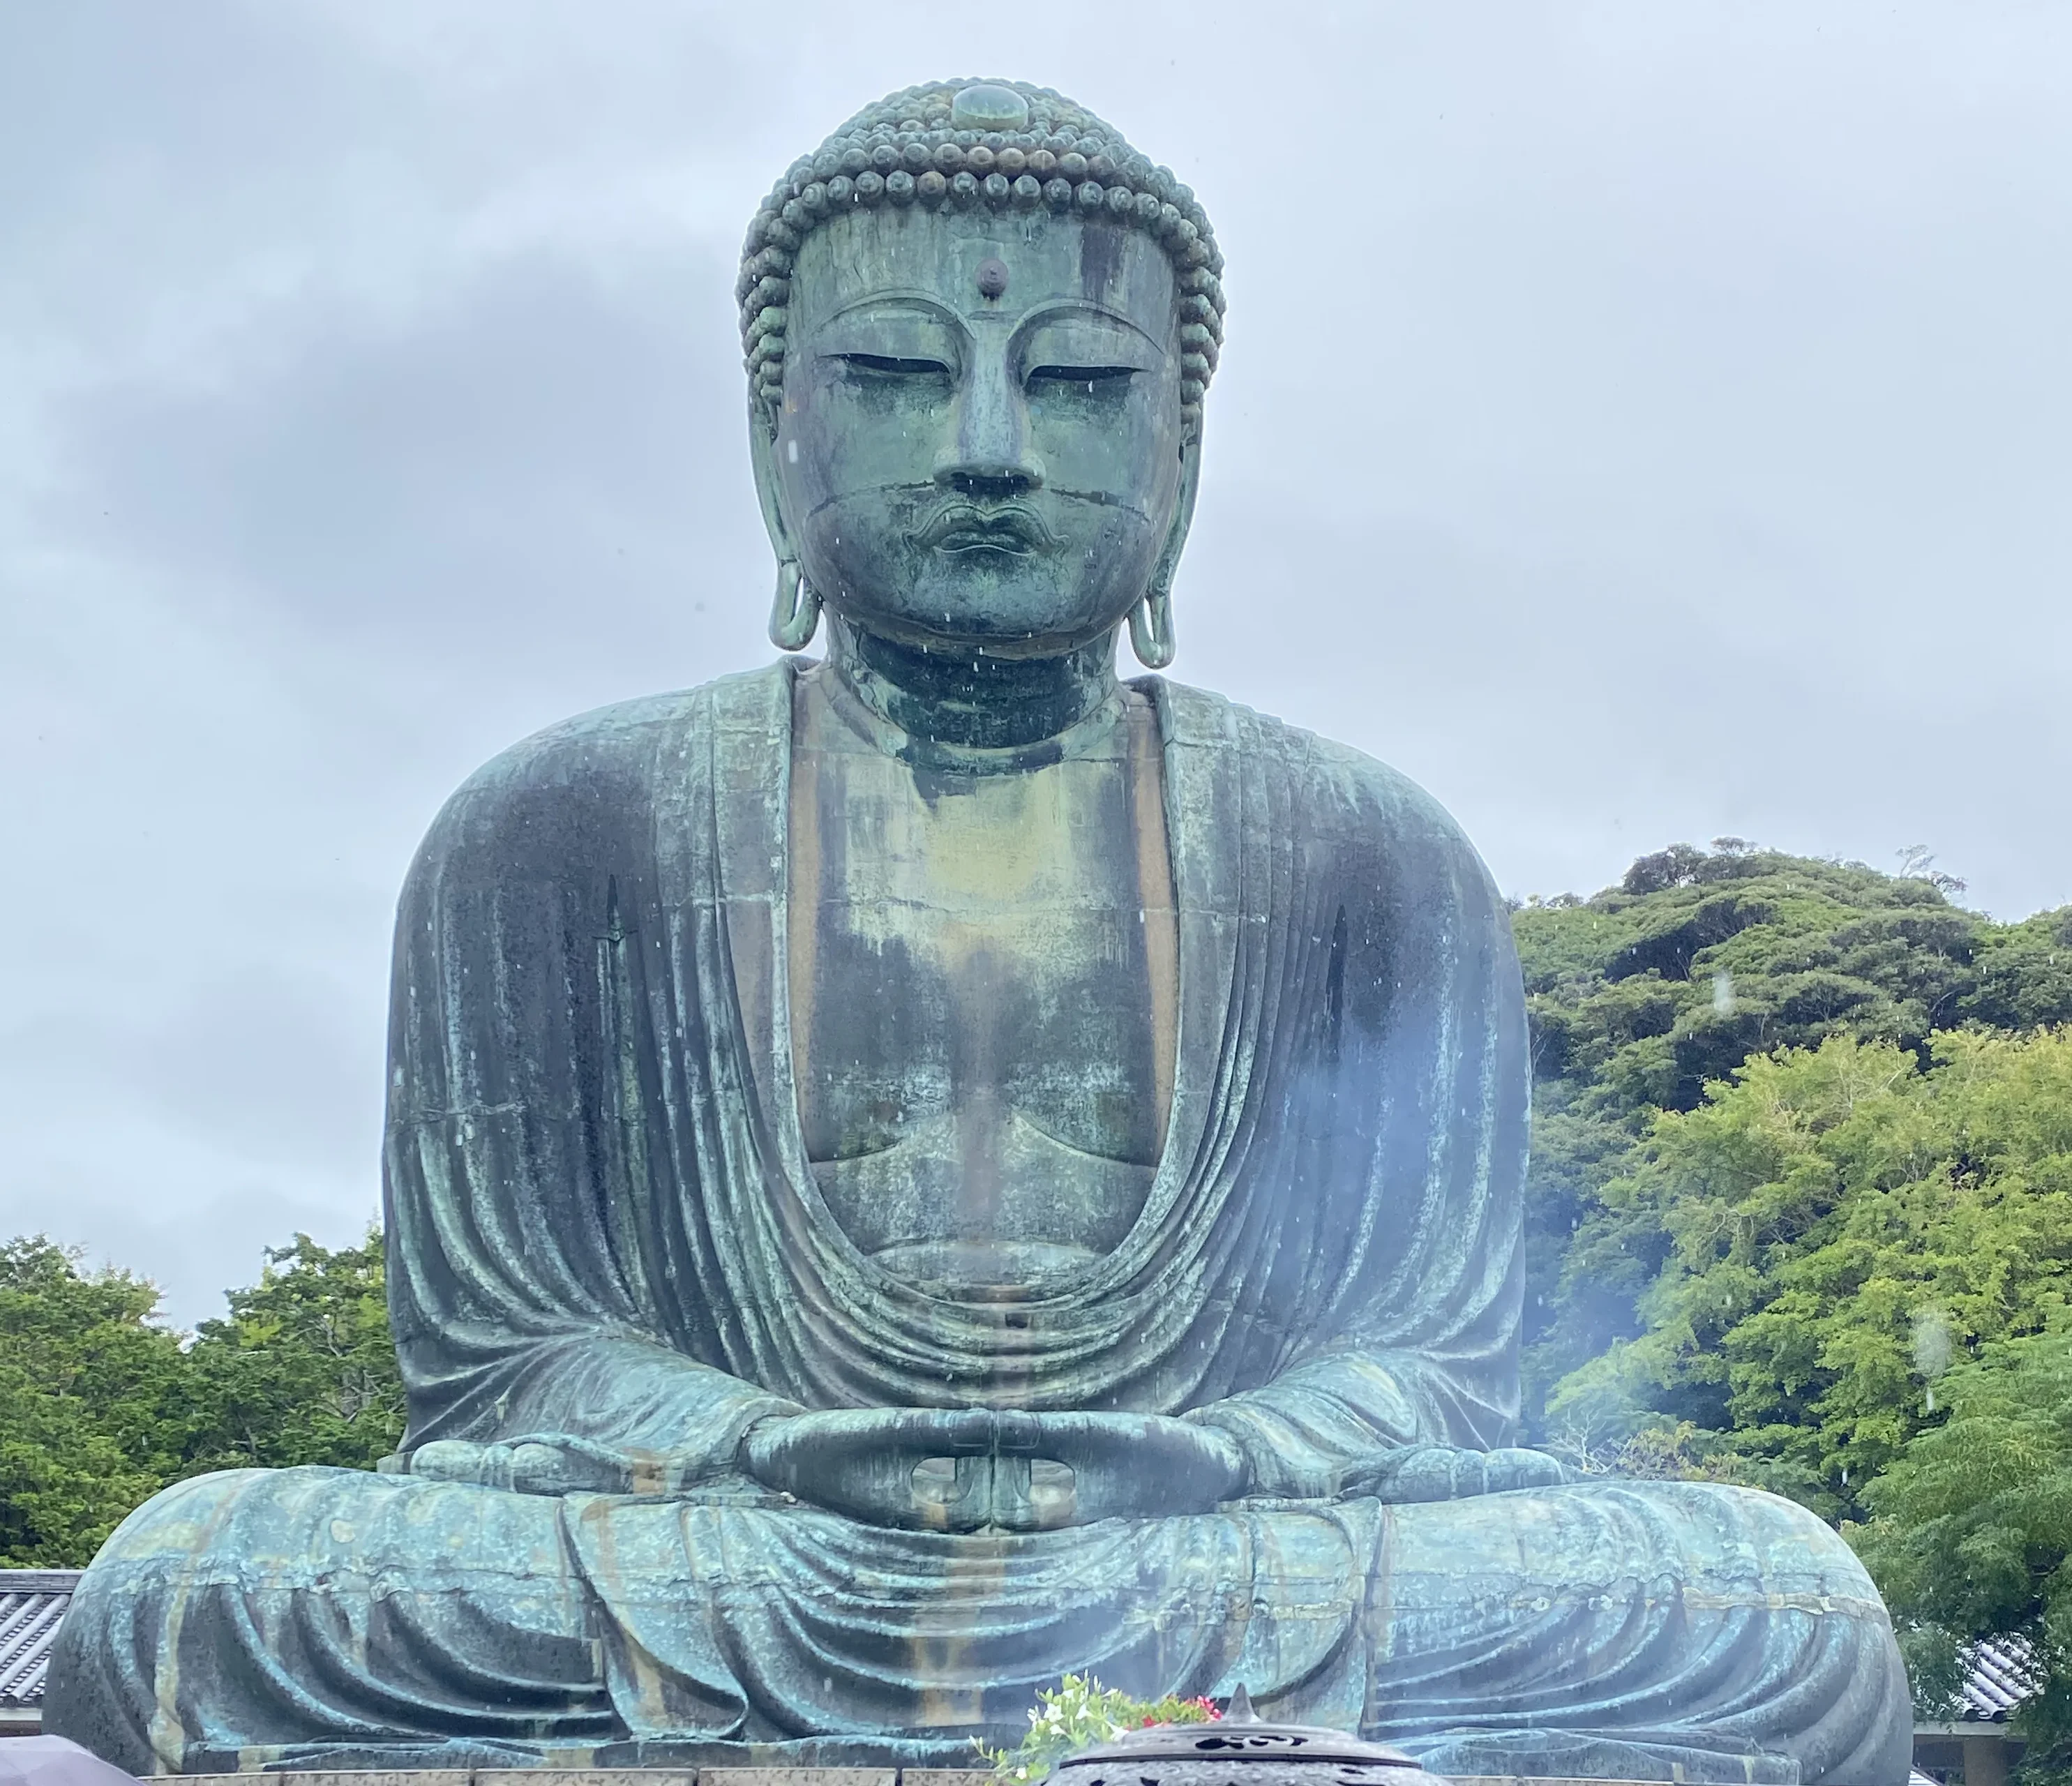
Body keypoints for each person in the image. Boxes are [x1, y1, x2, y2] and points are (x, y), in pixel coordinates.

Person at [46, 80, 1912, 1783]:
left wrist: (1232, 1456)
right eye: (901, 373)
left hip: (1223, 1553)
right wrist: (768, 1446)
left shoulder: (1368, 847)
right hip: (734, 1545)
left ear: (1183, 451)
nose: (994, 446)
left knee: (1778, 1605)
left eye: (1084, 384)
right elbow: (510, 1359)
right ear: (778, 439)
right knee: (197, 1585)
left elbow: (1431, 1368)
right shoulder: (557, 830)